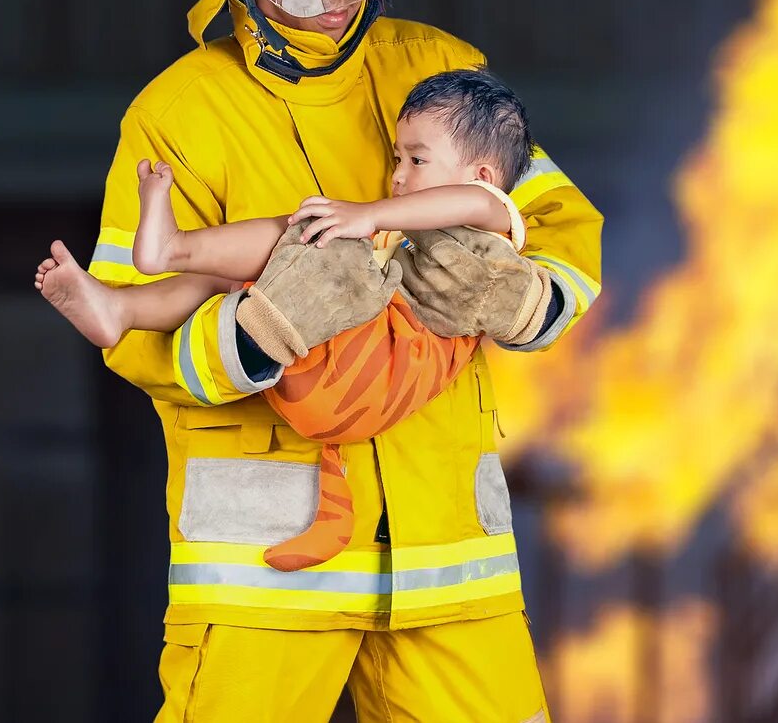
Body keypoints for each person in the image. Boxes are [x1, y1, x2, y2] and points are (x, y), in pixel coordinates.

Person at [85, 0, 601, 722]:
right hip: (265, 578)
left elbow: (556, 221)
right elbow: (128, 323)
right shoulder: (178, 113)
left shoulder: (443, 72)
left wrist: (521, 299)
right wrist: (256, 330)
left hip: (448, 560)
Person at [39, 67, 543, 573]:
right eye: (397, 158)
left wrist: (369, 215)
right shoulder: (411, 234)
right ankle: (125, 304)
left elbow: (466, 201)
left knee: (316, 238)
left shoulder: (491, 216)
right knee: (263, 268)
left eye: (416, 160)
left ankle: (177, 249)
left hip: (377, 371)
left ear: (482, 174)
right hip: (339, 384)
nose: (398, 176)